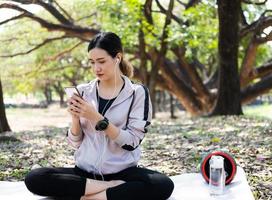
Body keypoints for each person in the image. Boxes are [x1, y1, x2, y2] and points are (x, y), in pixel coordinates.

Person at [24, 32, 174, 200]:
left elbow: (132, 142)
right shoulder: (83, 91)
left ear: (118, 57)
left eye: (101, 61)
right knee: (34, 178)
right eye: (92, 62)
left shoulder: (137, 93)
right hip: (85, 172)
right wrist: (75, 119)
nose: (96, 68)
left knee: (163, 184)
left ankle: (87, 197)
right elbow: (75, 144)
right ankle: (110, 190)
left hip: (122, 172)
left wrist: (97, 118)